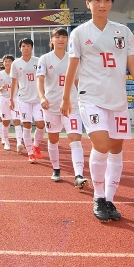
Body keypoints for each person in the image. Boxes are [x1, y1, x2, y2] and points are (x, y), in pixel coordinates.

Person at [62, 0, 134, 222]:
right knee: (100, 145)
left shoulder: (123, 32)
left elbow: (133, 66)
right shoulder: (79, 33)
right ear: (88, 4)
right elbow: (72, 68)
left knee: (117, 150)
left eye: (107, 0)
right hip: (91, 98)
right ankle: (98, 196)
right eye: (97, 0)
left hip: (118, 100)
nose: (102, 4)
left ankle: (110, 198)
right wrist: (67, 97)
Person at [38, 27, 88, 186]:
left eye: (64, 37)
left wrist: (83, 97)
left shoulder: (73, 59)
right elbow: (39, 80)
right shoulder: (45, 59)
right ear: (51, 41)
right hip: (51, 106)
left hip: (71, 106)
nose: (61, 39)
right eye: (57, 37)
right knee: (53, 139)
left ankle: (78, 175)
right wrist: (42, 97)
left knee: (75, 139)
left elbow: (78, 81)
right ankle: (56, 169)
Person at [10, 38, 45, 163]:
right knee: (27, 125)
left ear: (32, 48)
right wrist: (11, 98)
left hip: (37, 99)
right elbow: (13, 82)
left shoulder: (38, 61)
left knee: (41, 125)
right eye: (23, 46)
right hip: (23, 99)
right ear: (20, 48)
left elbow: (43, 78)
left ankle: (36, 145)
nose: (26, 48)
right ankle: (30, 152)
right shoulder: (16, 63)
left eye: (28, 46)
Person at [0, 55, 23, 151]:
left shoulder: (17, 73)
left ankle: (19, 143)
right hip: (4, 99)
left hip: (15, 99)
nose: (7, 63)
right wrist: (2, 88)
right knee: (6, 122)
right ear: (3, 63)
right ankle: (6, 141)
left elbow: (20, 86)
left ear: (13, 63)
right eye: (6, 61)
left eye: (9, 61)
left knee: (16, 121)